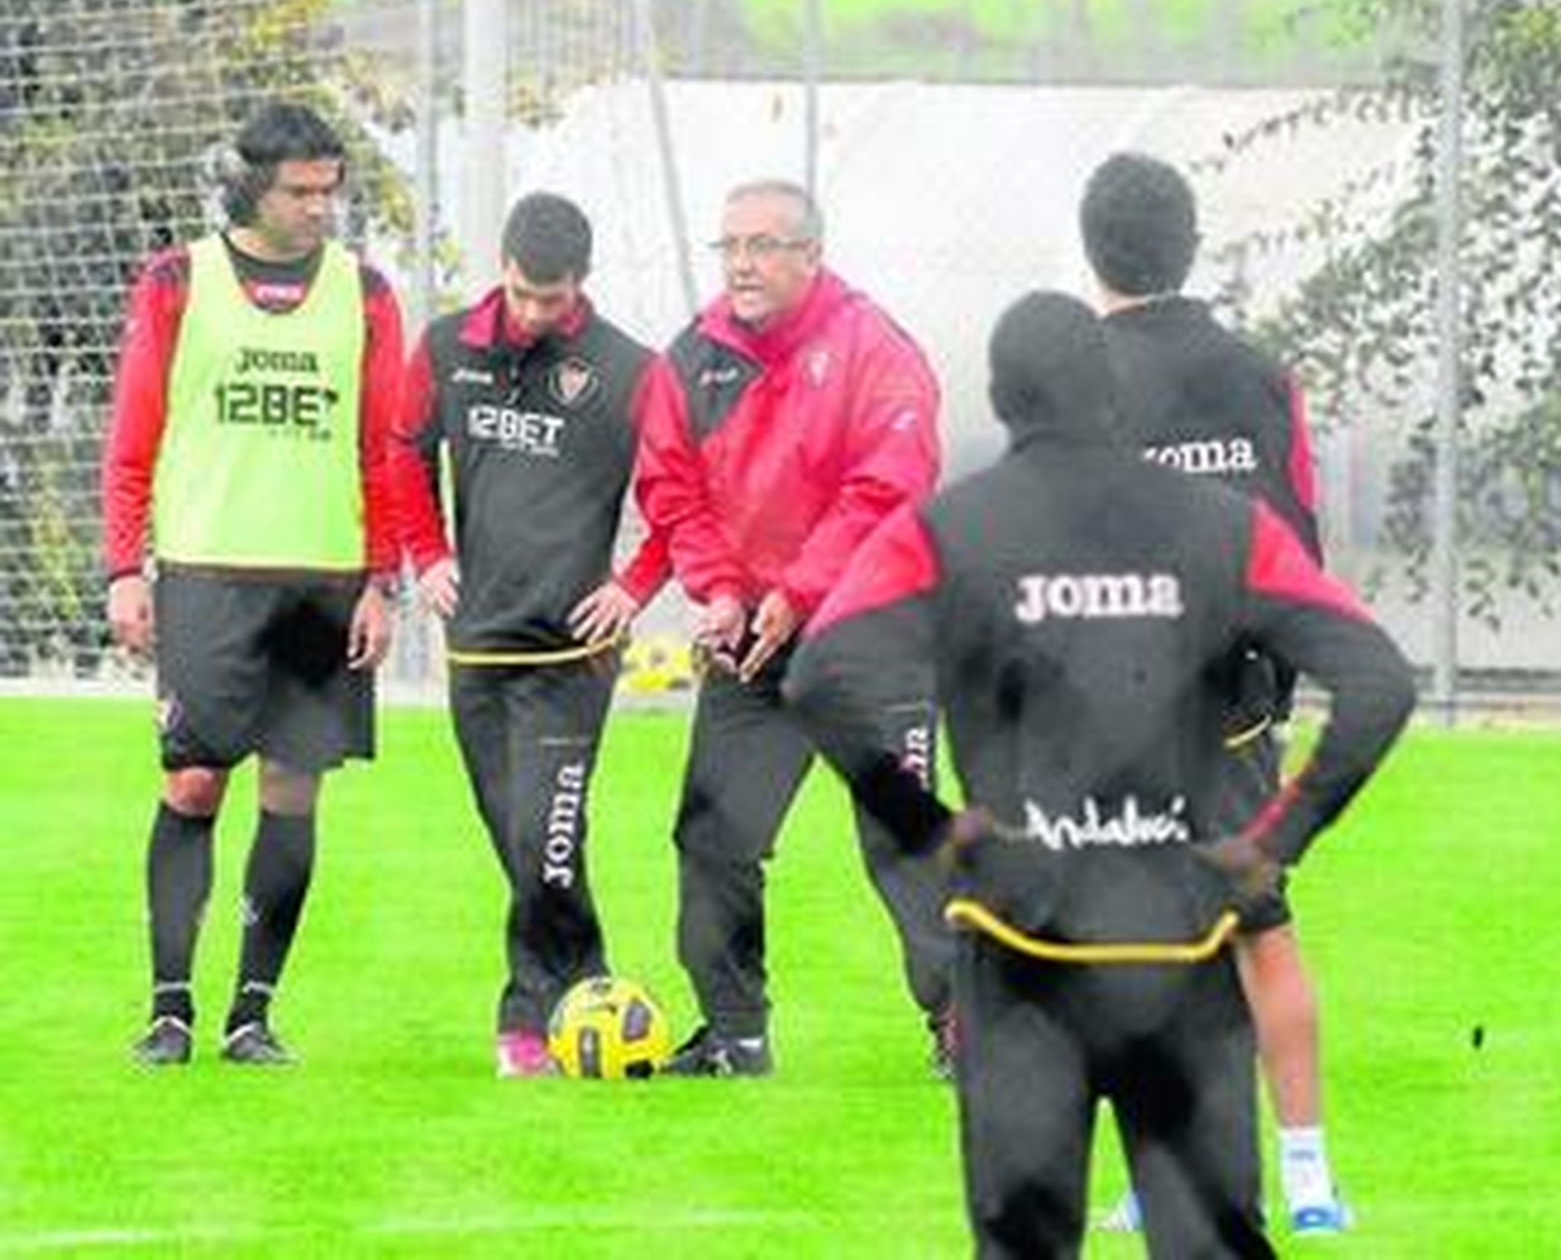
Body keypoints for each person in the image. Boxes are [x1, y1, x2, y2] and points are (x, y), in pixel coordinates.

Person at [785, 291, 1416, 1258]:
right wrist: (1272, 842)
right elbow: (1376, 680)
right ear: (1113, 393)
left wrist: (929, 829)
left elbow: (822, 675)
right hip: (1181, 947)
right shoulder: (1223, 527)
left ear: (998, 398)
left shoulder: (950, 529)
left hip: (1020, 947)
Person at [1080, 150, 1350, 1235]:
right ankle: (1310, 1178)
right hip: (1236, 699)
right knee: (1260, 932)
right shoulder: (1259, 373)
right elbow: (1299, 534)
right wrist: (1275, 681)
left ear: (1093, 251)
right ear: (1189, 244)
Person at [103, 101, 403, 1066]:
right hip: (206, 576)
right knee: (193, 782)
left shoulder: (366, 295)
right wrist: (123, 569)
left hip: (320, 581)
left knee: (292, 793)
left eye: (331, 191)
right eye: (301, 192)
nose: (321, 209)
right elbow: (132, 441)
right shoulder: (178, 282)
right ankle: (170, 1008)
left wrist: (379, 580)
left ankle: (252, 1014)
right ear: (253, 188)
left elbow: (383, 450)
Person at [633, 178, 955, 1076]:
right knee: (712, 836)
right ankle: (735, 1035)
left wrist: (799, 592)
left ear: (811, 254)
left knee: (903, 839)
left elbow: (888, 489)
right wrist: (722, 591)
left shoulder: (875, 349)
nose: (741, 262)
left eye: (762, 245)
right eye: (728, 245)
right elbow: (670, 488)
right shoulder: (690, 359)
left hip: (874, 637)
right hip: (753, 642)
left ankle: (965, 1024)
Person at [389, 191, 666, 1077]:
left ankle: (524, 1015)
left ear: (581, 285)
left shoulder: (630, 370)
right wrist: (427, 554)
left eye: (553, 300)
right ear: (502, 269)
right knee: (523, 841)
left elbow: (682, 495)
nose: (535, 313)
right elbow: (400, 453)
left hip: (572, 654)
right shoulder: (443, 349)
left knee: (547, 834)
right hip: (476, 647)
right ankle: (593, 990)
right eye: (522, 294)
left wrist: (634, 585)